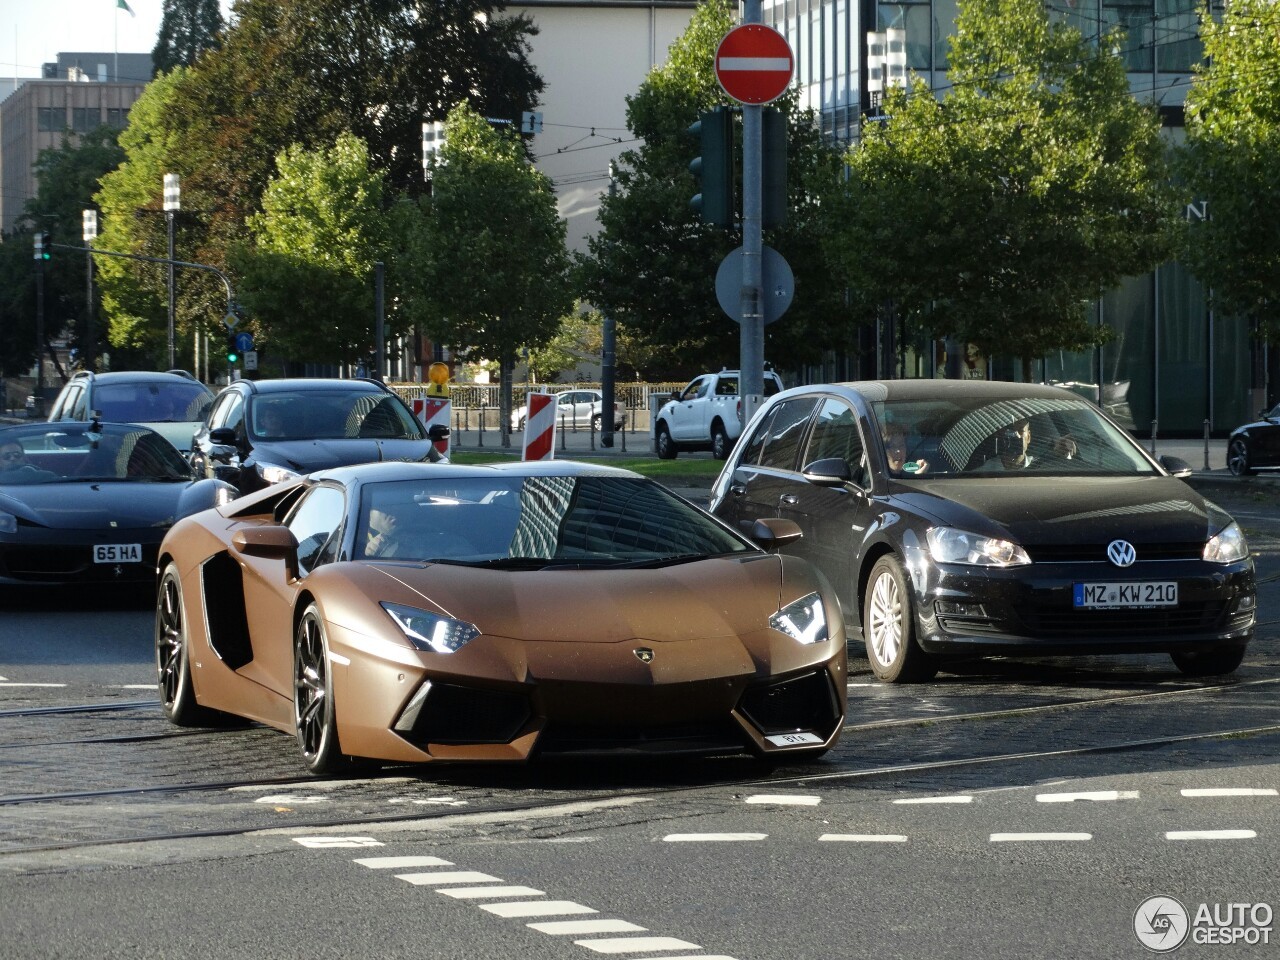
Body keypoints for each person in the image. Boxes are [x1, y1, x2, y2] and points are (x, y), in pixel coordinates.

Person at [981, 417, 1077, 471]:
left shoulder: (1044, 467)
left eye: (1020, 431)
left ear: (1029, 437)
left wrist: (1062, 454)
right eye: (1009, 432)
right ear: (999, 437)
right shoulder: (983, 474)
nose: (1016, 436)